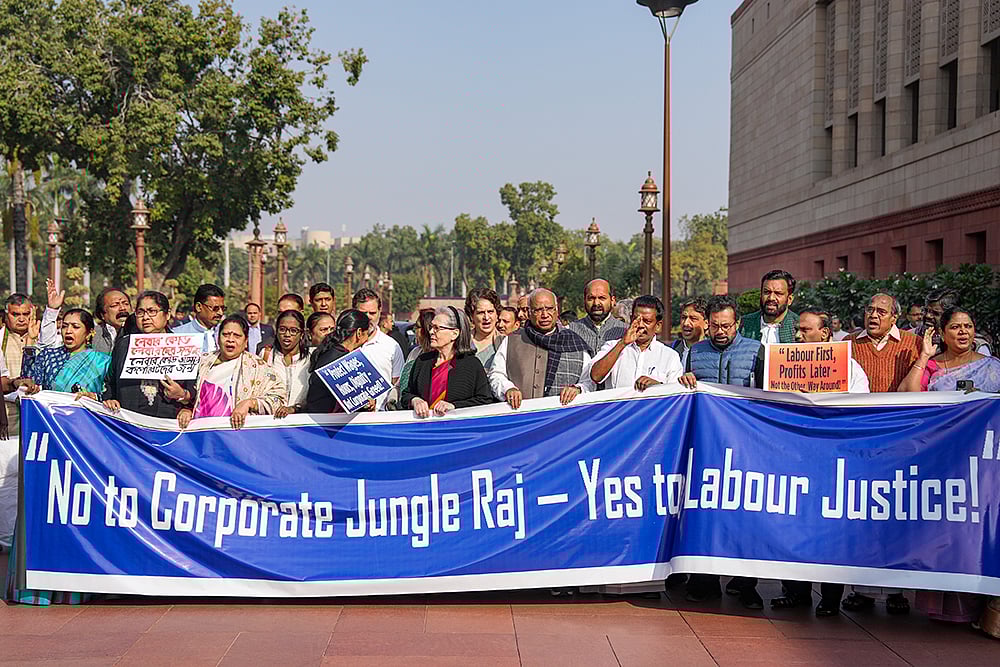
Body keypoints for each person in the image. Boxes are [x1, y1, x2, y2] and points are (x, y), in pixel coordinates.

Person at [899, 308, 1000, 623]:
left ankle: (985, 610)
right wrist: (924, 356)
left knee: (980, 530)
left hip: (983, 467)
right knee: (949, 532)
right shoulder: (933, 366)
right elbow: (906, 395)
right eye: (955, 327)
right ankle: (948, 608)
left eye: (968, 326)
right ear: (942, 333)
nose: (963, 332)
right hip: (944, 464)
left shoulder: (993, 368)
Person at [769, 307, 869, 617]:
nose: (799, 335)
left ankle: (830, 598)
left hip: (832, 459)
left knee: (830, 529)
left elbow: (860, 407)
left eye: (806, 330)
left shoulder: (850, 368)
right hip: (793, 458)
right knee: (793, 524)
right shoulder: (782, 365)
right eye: (798, 330)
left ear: (824, 333)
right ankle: (795, 591)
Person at [679, 295, 765, 609]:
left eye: (726, 326)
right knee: (706, 511)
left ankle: (745, 584)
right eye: (714, 325)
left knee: (745, 514)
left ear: (738, 324)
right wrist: (684, 381)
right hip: (707, 444)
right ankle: (704, 581)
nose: (719, 331)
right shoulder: (695, 352)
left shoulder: (756, 351)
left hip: (746, 445)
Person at [178, 314, 285, 430]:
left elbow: (279, 398)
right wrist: (187, 410)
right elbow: (193, 397)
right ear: (218, 338)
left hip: (237, 437)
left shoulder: (257, 367)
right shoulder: (203, 362)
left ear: (246, 341)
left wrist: (250, 403)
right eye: (226, 335)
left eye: (237, 336)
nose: (230, 340)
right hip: (202, 433)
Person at [489, 289, 590, 408]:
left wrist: (578, 389)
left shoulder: (574, 342)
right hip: (521, 418)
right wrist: (508, 389)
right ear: (529, 312)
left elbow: (589, 381)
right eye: (538, 310)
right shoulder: (512, 340)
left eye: (549, 309)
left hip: (563, 420)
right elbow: (496, 374)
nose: (545, 315)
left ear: (556, 310)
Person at [102, 292, 193, 419]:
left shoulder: (184, 346)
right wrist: (110, 399)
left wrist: (183, 396)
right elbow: (110, 382)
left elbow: (197, 393)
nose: (145, 317)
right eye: (140, 312)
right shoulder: (124, 344)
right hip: (128, 423)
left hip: (168, 425)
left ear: (167, 314)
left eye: (152, 311)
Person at [401, 306, 494, 417]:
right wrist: (415, 400)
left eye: (437, 328)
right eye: (431, 327)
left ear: (454, 334)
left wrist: (454, 406)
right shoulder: (422, 361)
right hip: (424, 428)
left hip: (458, 430)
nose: (431, 332)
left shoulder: (471, 364)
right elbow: (407, 394)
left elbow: (485, 400)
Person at [582, 295, 682, 392]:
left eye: (647, 321)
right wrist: (622, 343)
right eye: (636, 319)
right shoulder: (613, 346)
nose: (640, 325)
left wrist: (657, 387)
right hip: (618, 409)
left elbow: (675, 395)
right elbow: (595, 376)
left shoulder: (670, 357)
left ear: (658, 326)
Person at [849, 293, 920, 393]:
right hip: (861, 407)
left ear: (894, 318)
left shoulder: (914, 342)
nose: (873, 315)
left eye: (881, 312)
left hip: (899, 407)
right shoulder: (848, 342)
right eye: (870, 310)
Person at [304, 309, 372, 414]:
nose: (367, 339)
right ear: (359, 333)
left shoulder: (329, 351)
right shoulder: (343, 361)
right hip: (327, 423)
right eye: (367, 333)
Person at [28, 309, 110, 394]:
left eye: (75, 327)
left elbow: (108, 395)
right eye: (64, 326)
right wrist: (30, 340)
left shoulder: (102, 361)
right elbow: (29, 383)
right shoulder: (48, 355)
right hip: (49, 406)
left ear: (89, 332)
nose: (68, 331)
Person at [352, 288, 404, 410]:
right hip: (346, 421)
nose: (368, 318)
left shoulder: (392, 347)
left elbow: (398, 385)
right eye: (363, 313)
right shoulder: (342, 345)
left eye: (372, 313)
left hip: (380, 418)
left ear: (380, 312)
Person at [262, 310, 311, 418]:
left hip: (302, 421)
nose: (287, 334)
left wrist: (294, 409)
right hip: (270, 422)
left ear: (302, 334)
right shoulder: (266, 355)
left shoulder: (310, 358)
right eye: (282, 329)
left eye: (293, 330)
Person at [916, 288, 991, 355]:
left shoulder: (975, 346)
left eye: (936, 313)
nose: (928, 316)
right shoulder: (912, 337)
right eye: (926, 310)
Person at [739, 269, 799, 344]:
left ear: (789, 299)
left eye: (778, 293)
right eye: (767, 292)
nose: (771, 298)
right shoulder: (745, 324)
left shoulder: (798, 326)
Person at [568, 279, 625, 357]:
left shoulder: (625, 332)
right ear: (584, 300)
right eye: (591, 298)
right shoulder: (571, 331)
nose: (596, 303)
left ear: (612, 300)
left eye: (602, 298)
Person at [174, 284, 226, 353]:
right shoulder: (177, 335)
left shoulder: (227, 334)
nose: (220, 313)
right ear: (198, 307)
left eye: (223, 308)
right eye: (215, 308)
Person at [465, 288, 504, 370]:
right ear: (472, 316)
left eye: (490, 312)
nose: (486, 317)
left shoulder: (504, 343)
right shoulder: (462, 342)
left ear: (497, 314)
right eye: (481, 313)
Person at [400, 309, 436, 392]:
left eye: (417, 327)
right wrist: (393, 397)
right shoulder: (415, 352)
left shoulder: (438, 357)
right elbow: (400, 383)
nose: (415, 330)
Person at [90, 287, 132, 355]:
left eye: (126, 304)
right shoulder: (92, 336)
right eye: (114, 305)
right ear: (102, 315)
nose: (122, 308)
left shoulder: (140, 333)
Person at [671, 297, 708, 369]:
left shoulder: (713, 354)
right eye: (684, 317)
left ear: (706, 323)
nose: (686, 323)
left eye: (693, 319)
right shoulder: (671, 350)